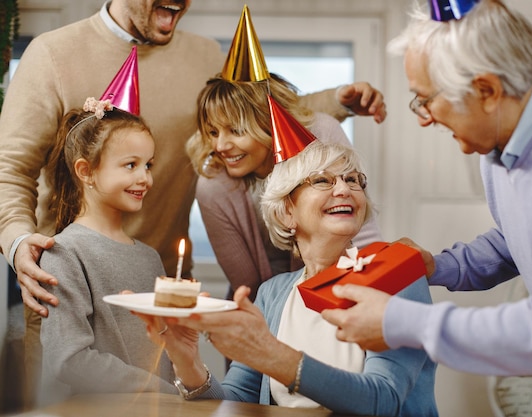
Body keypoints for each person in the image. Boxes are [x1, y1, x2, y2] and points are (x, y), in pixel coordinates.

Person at [0, 0, 385, 407]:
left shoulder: (202, 54)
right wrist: (18, 241)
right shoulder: (52, 53)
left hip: (156, 278)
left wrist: (337, 100)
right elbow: (10, 166)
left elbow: (253, 103)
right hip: (66, 283)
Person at [321, 1, 532, 416]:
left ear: (486, 91)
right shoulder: (500, 142)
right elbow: (517, 238)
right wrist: (435, 265)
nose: (425, 118)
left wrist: (399, 321)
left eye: (425, 100)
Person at [138, 139, 438, 416]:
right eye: (322, 180)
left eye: (353, 180)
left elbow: (383, 401)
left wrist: (274, 356)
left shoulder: (398, 278)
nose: (344, 190)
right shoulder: (273, 293)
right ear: (286, 212)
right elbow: (236, 401)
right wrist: (188, 363)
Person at [187, 73, 382, 300]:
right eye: (213, 132)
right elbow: (249, 286)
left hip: (342, 286)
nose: (220, 145)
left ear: (268, 122)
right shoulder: (213, 185)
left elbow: (363, 236)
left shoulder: (321, 135)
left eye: (237, 131)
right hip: (266, 302)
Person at [38, 97, 177, 406]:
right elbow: (70, 359)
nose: (145, 178)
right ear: (86, 171)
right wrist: (164, 392)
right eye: (131, 164)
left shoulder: (150, 258)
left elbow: (166, 351)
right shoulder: (64, 254)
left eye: (148, 165)